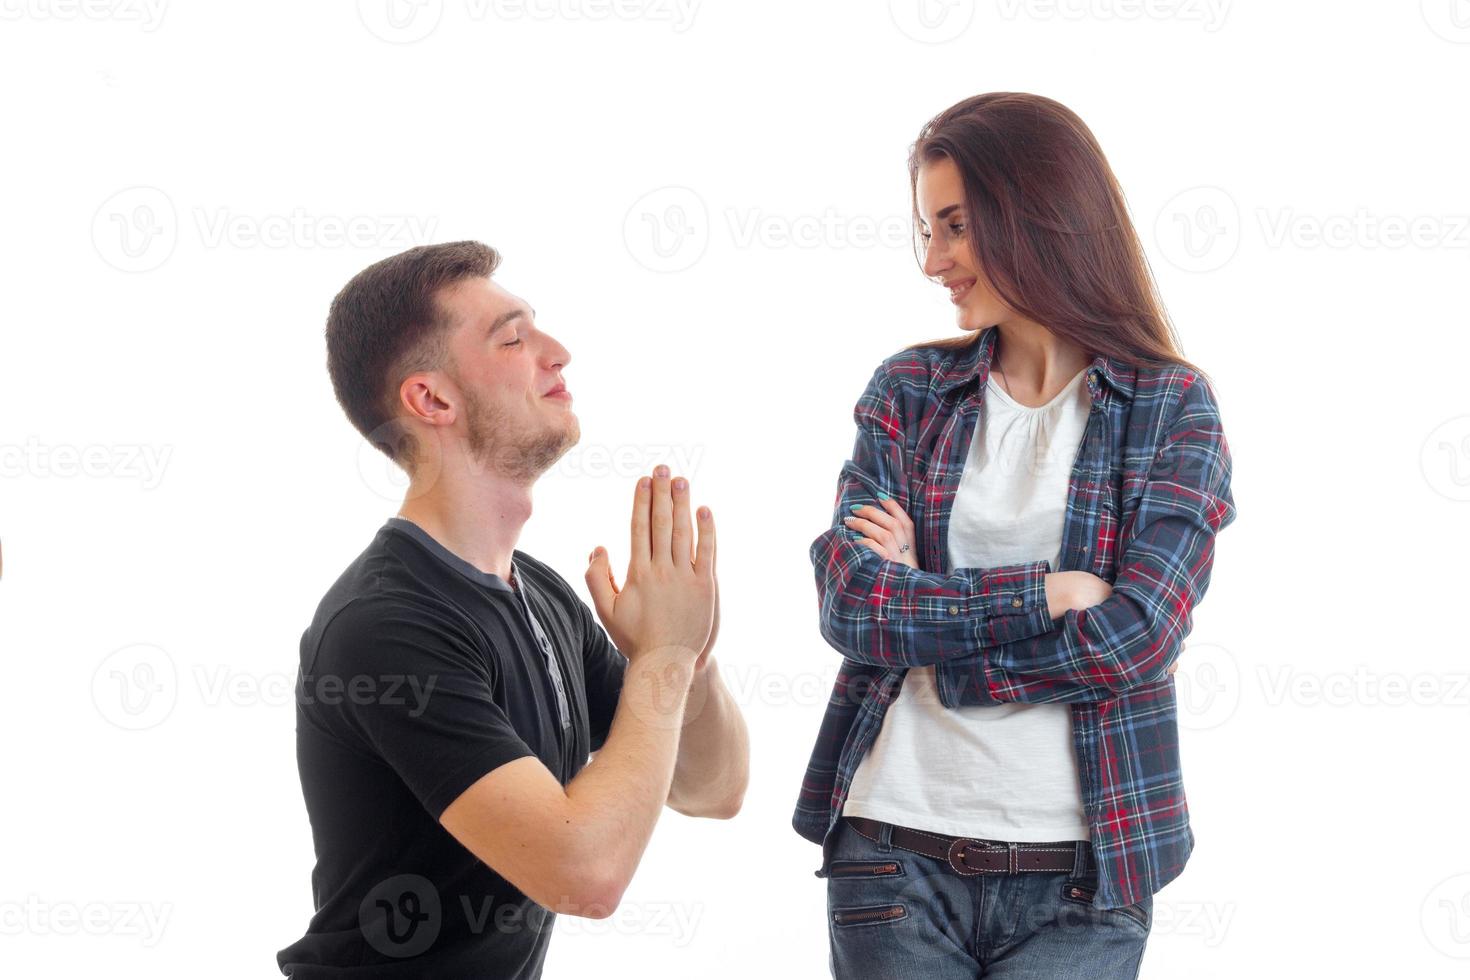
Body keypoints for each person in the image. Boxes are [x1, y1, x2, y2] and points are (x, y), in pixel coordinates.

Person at [793, 93, 1237, 978]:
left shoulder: (1171, 406)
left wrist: (942, 648)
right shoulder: (909, 390)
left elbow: (1139, 635)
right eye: (927, 228)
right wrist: (1049, 592)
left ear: (1036, 214)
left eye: (955, 227)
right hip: (892, 858)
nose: (933, 260)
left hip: (1086, 879)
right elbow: (852, 602)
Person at [278, 241, 749, 978]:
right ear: (432, 400)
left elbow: (710, 789)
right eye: (515, 337)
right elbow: (585, 873)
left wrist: (690, 654)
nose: (558, 353)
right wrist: (660, 659)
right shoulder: (386, 627)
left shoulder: (542, 594)